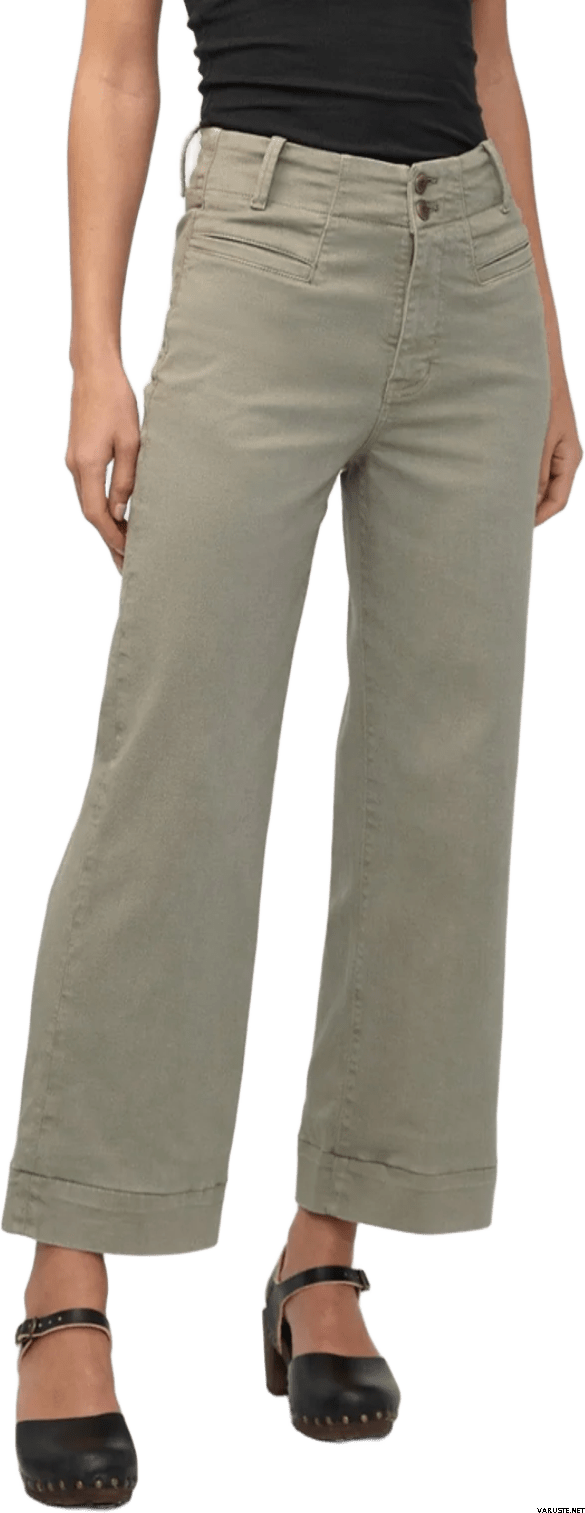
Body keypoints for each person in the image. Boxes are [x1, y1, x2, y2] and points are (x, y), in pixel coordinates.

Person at [3, 0, 583, 1506]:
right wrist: (92, 357)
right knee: (171, 774)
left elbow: (487, 54)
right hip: (263, 253)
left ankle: (327, 1247)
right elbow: (114, 63)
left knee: (439, 788)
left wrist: (545, 335)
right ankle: (69, 1275)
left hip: (474, 266)